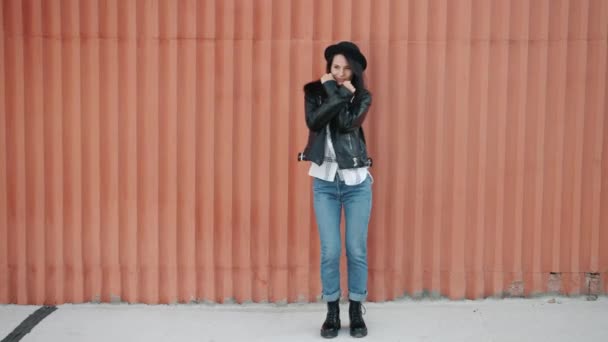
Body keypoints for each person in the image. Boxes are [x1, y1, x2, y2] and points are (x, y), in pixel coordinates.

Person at [298, 41, 373, 338]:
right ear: (328, 68)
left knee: (355, 250)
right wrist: (335, 91)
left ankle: (355, 310)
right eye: (335, 67)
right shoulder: (313, 92)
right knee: (330, 251)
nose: (340, 73)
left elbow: (345, 123)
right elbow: (314, 121)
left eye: (346, 69)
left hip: (356, 184)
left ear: (354, 72)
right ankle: (332, 312)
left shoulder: (363, 98)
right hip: (325, 184)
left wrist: (341, 94)